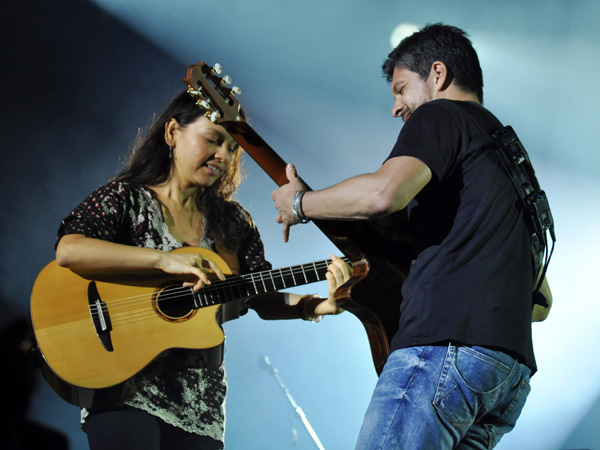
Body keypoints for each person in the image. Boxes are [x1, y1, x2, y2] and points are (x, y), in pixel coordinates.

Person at [272, 23, 553, 450]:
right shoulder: (511, 161)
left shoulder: (442, 115)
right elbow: (541, 303)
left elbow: (385, 193)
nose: (397, 107)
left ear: (437, 75)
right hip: (507, 373)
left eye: (402, 89)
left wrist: (300, 204)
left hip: (444, 354)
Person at [55, 89, 349, 450]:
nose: (224, 155)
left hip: (200, 407)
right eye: (213, 140)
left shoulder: (234, 222)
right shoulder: (125, 198)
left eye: (232, 147)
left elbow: (259, 296)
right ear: (172, 133)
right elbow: (69, 250)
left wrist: (316, 306)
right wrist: (165, 259)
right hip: (124, 388)